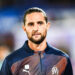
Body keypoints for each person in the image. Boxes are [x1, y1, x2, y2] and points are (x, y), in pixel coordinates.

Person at [1, 7, 73, 75]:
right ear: (24, 28)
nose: (36, 28)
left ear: (47, 26)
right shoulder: (11, 61)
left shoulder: (63, 59)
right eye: (31, 24)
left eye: (40, 23)